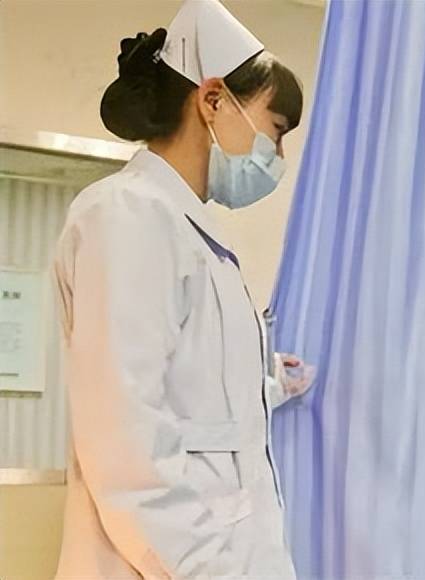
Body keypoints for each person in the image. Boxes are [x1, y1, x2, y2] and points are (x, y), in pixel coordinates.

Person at [53, 1, 314, 577]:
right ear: (213, 99)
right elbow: (125, 440)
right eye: (275, 132)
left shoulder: (191, 234)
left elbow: (194, 404)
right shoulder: (126, 216)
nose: (277, 157)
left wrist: (268, 385)